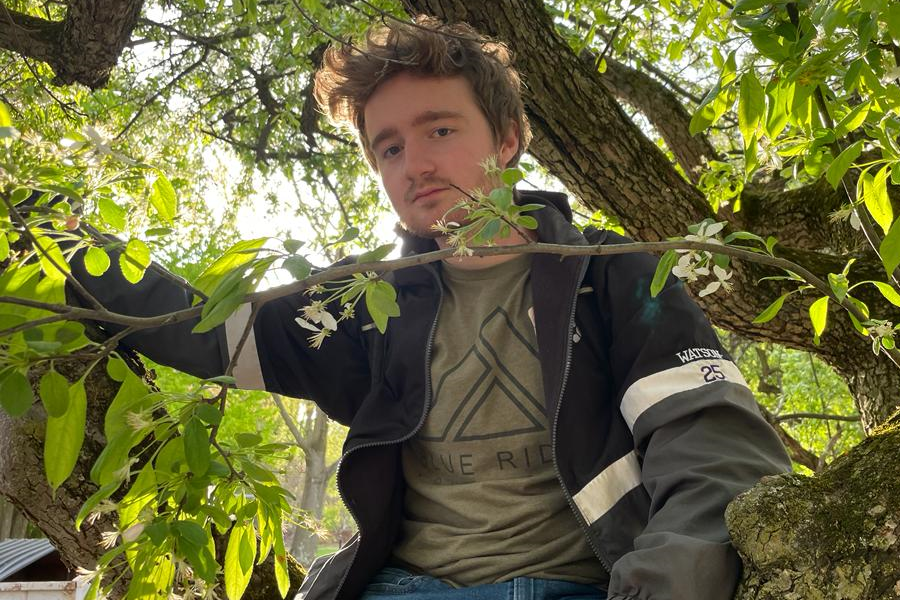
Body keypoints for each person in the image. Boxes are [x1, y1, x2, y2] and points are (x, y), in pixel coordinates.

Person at [68, 15, 791, 600]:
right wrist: (71, 254)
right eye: (388, 148)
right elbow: (212, 338)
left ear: (506, 139)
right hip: (400, 585)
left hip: (580, 583)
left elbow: (712, 443)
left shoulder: (615, 274)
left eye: (440, 130)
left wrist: (661, 582)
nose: (413, 165)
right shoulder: (364, 299)